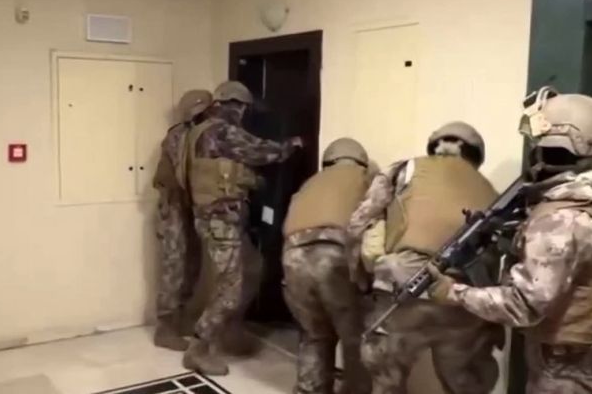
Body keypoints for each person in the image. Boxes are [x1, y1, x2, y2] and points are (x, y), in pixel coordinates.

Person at [427, 88, 592, 393]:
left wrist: (452, 292)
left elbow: (524, 304)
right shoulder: (583, 202)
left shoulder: (561, 216)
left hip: (565, 368)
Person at [347, 122, 502, 394]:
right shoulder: (492, 192)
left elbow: (360, 222)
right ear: (475, 155)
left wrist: (361, 278)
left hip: (403, 287)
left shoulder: (404, 169)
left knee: (387, 379)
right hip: (464, 298)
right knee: (465, 384)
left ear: (434, 147)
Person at [182, 80, 304, 375]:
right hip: (220, 219)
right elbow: (262, 151)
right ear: (233, 106)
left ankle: (229, 327)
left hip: (217, 218)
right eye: (243, 108)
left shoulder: (199, 131)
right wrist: (293, 144)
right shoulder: (222, 131)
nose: (243, 114)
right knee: (231, 285)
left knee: (253, 267)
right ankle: (199, 347)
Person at [282, 138, 374, 394]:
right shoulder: (366, 179)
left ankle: (309, 389)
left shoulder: (310, 183)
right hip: (335, 256)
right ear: (361, 161)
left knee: (313, 334)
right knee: (355, 338)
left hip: (293, 257)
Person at [152, 89, 212, 351]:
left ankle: (180, 320)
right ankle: (165, 328)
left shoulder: (197, 134)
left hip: (190, 207)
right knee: (175, 268)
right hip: (175, 208)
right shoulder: (179, 136)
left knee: (192, 265)